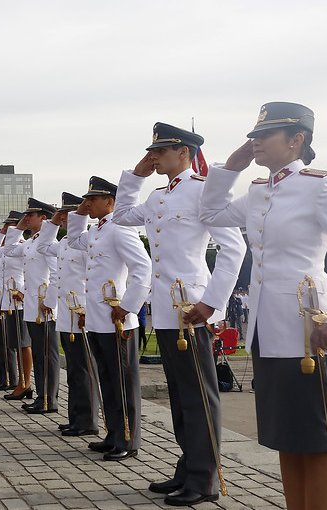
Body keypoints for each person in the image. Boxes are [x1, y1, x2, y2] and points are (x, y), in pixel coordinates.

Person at [199, 102, 327, 510]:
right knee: (286, 435)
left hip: (311, 330)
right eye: (254, 135)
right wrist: (230, 167)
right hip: (269, 329)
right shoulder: (259, 191)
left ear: (296, 140)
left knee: (318, 437)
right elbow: (209, 212)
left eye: (265, 135)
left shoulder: (321, 185)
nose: (255, 142)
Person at [113, 123, 246, 505]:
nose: (153, 157)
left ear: (184, 152)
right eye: (152, 152)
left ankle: (204, 479)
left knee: (199, 395)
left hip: (193, 311)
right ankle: (188, 468)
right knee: (179, 394)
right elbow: (121, 217)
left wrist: (211, 303)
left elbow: (232, 249)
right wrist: (134, 178)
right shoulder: (156, 197)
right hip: (168, 312)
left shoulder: (203, 191)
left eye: (160, 151)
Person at [68, 176, 151, 461]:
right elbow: (72, 240)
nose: (87, 203)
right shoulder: (96, 231)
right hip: (98, 320)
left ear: (110, 202)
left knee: (123, 383)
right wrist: (78, 213)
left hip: (118, 320)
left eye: (93, 199)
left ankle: (128, 439)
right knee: (107, 379)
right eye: (86, 199)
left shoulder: (120, 229)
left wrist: (128, 306)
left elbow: (143, 268)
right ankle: (113, 434)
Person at [37, 193, 100, 437]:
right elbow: (43, 246)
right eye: (62, 215)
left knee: (84, 368)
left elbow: (91, 275)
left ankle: (88, 420)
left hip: (81, 311)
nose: (64, 219)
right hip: (66, 313)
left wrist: (87, 308)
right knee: (74, 369)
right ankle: (76, 417)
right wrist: (51, 223)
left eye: (67, 214)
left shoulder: (86, 241)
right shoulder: (65, 243)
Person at [5, 198, 60, 415]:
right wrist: (18, 229)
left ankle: (49, 399)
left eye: (31, 215)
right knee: (39, 354)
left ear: (44, 218)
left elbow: (57, 274)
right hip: (32, 307)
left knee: (47, 354)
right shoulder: (30, 243)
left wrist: (49, 302)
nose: (26, 218)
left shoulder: (49, 244)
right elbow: (9, 250)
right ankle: (41, 395)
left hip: (44, 308)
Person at [0, 211, 32, 401]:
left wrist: (24, 292)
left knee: (24, 344)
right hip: (9, 302)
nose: (6, 228)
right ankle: (21, 383)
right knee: (15, 344)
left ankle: (25, 383)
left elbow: (32, 272)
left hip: (20, 300)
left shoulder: (23, 246)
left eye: (10, 225)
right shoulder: (9, 247)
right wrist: (1, 233)